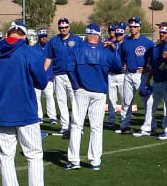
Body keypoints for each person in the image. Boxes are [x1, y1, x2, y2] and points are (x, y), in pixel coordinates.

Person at [0, 21, 48, 186]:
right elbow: (42, 82)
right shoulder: (29, 53)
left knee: (6, 156)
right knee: (34, 155)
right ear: (23, 36)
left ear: (8, 35)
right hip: (26, 111)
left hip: (1, 111)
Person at [65, 23, 122, 170]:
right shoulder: (106, 51)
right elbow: (118, 67)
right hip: (99, 93)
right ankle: (95, 161)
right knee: (96, 127)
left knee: (77, 125)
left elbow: (69, 68)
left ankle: (74, 160)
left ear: (86, 35)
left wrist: (75, 85)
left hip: (82, 91)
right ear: (98, 35)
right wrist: (114, 50)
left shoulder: (76, 49)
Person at [114, 17, 155, 134]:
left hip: (141, 74)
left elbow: (155, 56)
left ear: (139, 28)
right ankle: (124, 125)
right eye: (131, 26)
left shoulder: (147, 42)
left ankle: (150, 126)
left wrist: (149, 67)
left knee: (146, 100)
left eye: (135, 27)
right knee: (126, 101)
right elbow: (122, 55)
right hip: (128, 74)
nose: (132, 28)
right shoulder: (126, 41)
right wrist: (124, 64)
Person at [44, 18, 83, 134]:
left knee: (75, 101)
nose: (63, 29)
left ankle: (77, 126)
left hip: (73, 74)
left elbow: (82, 56)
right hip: (58, 75)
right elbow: (48, 58)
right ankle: (65, 126)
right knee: (61, 101)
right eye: (61, 28)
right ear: (58, 28)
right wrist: (42, 72)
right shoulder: (53, 41)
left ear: (69, 27)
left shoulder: (76, 40)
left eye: (65, 27)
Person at [132, 25, 167, 137]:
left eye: (164, 32)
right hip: (157, 81)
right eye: (161, 32)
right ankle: (147, 128)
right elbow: (152, 66)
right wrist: (147, 81)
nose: (162, 34)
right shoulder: (156, 49)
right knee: (150, 105)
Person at [33, 28, 58, 124]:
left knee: (50, 97)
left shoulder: (50, 47)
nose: (44, 38)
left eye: (45, 36)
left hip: (49, 77)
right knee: (37, 97)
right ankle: (39, 116)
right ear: (38, 37)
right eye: (41, 36)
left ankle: (52, 117)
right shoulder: (33, 48)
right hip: (37, 77)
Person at [107, 26, 125, 128]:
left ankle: (124, 119)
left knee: (123, 98)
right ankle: (111, 119)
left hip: (122, 74)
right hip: (111, 73)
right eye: (111, 31)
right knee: (111, 98)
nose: (113, 33)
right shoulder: (107, 43)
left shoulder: (125, 44)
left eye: (118, 34)